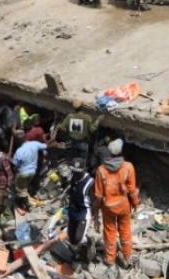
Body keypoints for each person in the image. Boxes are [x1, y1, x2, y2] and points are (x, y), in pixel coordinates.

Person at [94, 138, 138, 268]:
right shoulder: (128, 167)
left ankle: (110, 259)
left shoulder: (101, 170)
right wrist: (135, 204)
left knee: (109, 232)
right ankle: (127, 256)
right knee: (125, 231)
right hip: (123, 205)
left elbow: (98, 194)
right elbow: (132, 190)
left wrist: (97, 208)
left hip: (108, 207)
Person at [67, 158, 96, 261]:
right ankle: (79, 253)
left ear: (84, 170)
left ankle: (89, 244)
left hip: (83, 213)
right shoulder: (73, 177)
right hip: (72, 211)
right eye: (74, 171)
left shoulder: (90, 183)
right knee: (72, 239)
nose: (75, 174)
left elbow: (95, 201)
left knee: (79, 238)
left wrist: (95, 216)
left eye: (78, 172)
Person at [58, 99, 100, 165]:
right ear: (82, 107)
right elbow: (92, 129)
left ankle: (74, 167)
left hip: (72, 142)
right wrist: (98, 120)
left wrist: (68, 134)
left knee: (73, 158)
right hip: (83, 143)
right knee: (83, 160)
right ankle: (81, 169)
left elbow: (62, 128)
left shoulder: (69, 116)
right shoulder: (87, 117)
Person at [12, 139, 48, 211]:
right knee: (25, 187)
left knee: (20, 189)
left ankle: (25, 205)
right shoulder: (34, 144)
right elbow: (46, 146)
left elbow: (15, 164)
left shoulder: (19, 151)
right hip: (32, 172)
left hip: (23, 173)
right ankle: (28, 199)